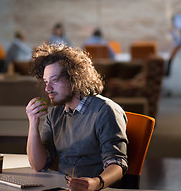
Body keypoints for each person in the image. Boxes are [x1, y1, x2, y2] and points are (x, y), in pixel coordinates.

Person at [25, 43, 128, 191]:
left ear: (74, 78)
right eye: (46, 82)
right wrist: (33, 123)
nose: (48, 88)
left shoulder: (105, 111)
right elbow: (39, 165)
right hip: (62, 187)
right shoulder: (55, 114)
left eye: (54, 80)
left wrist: (96, 183)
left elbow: (117, 164)